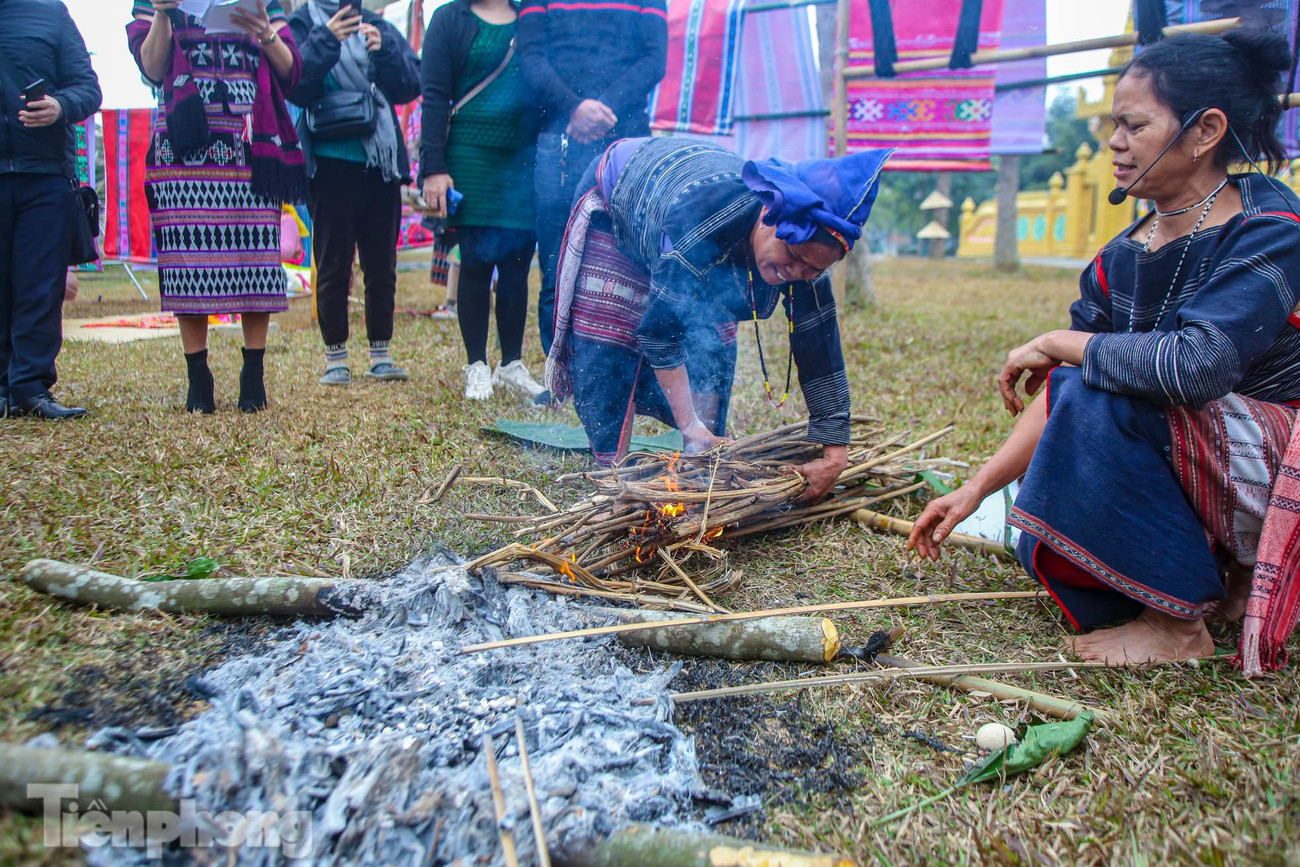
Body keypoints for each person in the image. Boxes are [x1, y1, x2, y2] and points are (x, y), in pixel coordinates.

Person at [909, 31, 1300, 675]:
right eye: (1112, 125)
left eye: (1133, 125)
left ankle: (1180, 624)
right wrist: (975, 490)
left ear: (1204, 131)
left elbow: (1197, 367)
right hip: (1210, 455)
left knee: (1100, 382)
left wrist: (1061, 344)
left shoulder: (1270, 229)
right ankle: (1215, 574)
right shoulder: (1121, 258)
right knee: (1085, 402)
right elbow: (1073, 383)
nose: (1114, 142)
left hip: (1276, 468)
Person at [545, 137, 892, 500]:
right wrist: (689, 423)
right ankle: (612, 477)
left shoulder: (804, 254)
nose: (795, 272)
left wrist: (834, 456)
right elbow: (659, 335)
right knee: (612, 336)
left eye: (812, 267)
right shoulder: (700, 222)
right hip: (625, 196)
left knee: (712, 338)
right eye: (792, 256)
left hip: (693, 226)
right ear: (767, 216)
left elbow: (820, 345)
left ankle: (700, 462)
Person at [128, 0, 307, 414]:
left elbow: (292, 72)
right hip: (180, 140)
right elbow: (151, 68)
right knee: (186, 257)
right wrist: (162, 13)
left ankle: (253, 373)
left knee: (256, 257)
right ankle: (198, 376)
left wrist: (266, 33)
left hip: (248, 143)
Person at [516, 0, 667, 357]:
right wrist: (573, 107)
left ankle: (622, 373)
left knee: (630, 259)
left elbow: (654, 59)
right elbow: (531, 56)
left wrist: (601, 108)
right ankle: (561, 375)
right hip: (560, 140)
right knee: (557, 260)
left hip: (626, 142)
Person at [289, 0, 421, 387]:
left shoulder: (376, 24)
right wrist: (327, 39)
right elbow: (296, 85)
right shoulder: (303, 24)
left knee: (382, 264)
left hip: (378, 162)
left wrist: (388, 51)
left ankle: (381, 353)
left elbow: (410, 83)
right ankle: (336, 357)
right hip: (329, 163)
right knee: (332, 262)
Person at [421, 0, 545, 401]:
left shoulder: (531, 14)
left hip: (522, 161)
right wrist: (433, 167)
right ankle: (477, 365)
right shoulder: (449, 19)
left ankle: (511, 364)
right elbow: (435, 98)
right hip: (469, 156)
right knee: (475, 261)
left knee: (516, 265)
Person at [0, 0, 101, 420]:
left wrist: (60, 106)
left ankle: (29, 388)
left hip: (45, 175)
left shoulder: (50, 13)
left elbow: (88, 89)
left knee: (40, 286)